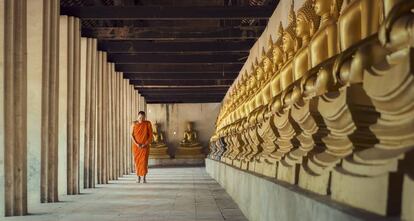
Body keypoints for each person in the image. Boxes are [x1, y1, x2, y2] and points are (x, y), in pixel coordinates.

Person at [130, 111, 153, 183]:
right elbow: (131, 135)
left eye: (143, 118)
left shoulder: (147, 123)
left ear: (145, 117)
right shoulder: (134, 124)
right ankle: (138, 177)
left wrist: (145, 144)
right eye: (140, 117)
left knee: (144, 162)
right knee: (137, 162)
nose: (141, 119)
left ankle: (144, 178)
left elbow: (150, 135)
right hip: (136, 146)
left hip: (145, 146)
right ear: (138, 116)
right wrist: (136, 144)